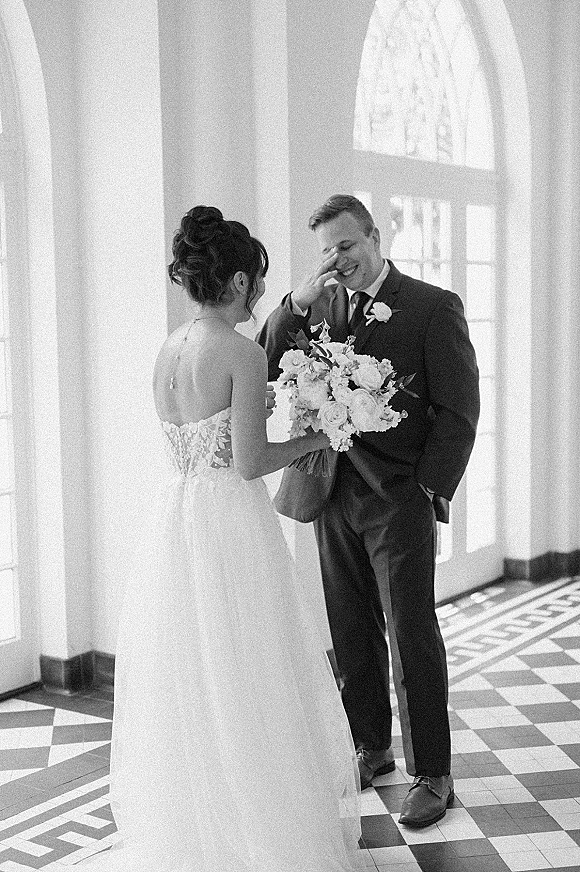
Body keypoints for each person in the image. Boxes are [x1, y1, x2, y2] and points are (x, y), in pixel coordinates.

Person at [82, 206, 361, 872]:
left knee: (195, 675)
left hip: (176, 517)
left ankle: (201, 826)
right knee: (251, 669)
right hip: (229, 520)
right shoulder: (238, 350)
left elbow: (197, 440)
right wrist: (321, 436)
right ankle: (258, 832)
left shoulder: (170, 347)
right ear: (236, 279)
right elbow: (250, 463)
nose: (259, 295)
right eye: (257, 282)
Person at [257, 194, 480, 827]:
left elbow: (460, 408)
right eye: (326, 250)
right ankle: (370, 746)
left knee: (410, 630)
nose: (337, 260)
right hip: (331, 490)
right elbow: (269, 358)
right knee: (349, 624)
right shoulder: (318, 305)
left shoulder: (432, 307)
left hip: (399, 496)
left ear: (375, 237)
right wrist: (297, 302)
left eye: (347, 246)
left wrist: (430, 488)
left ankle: (432, 771)